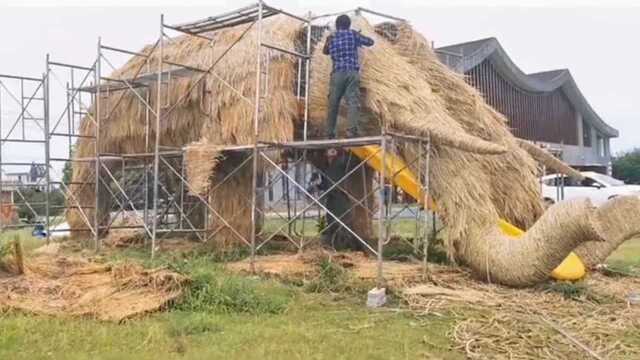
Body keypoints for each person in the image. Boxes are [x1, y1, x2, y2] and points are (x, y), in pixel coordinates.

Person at [323, 14, 375, 139]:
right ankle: (351, 131)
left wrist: (329, 40)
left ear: (337, 25)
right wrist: (359, 35)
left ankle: (330, 133)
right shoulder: (353, 34)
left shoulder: (331, 37)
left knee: (333, 102)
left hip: (337, 74)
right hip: (352, 73)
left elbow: (325, 51)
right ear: (348, 25)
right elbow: (370, 42)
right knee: (352, 101)